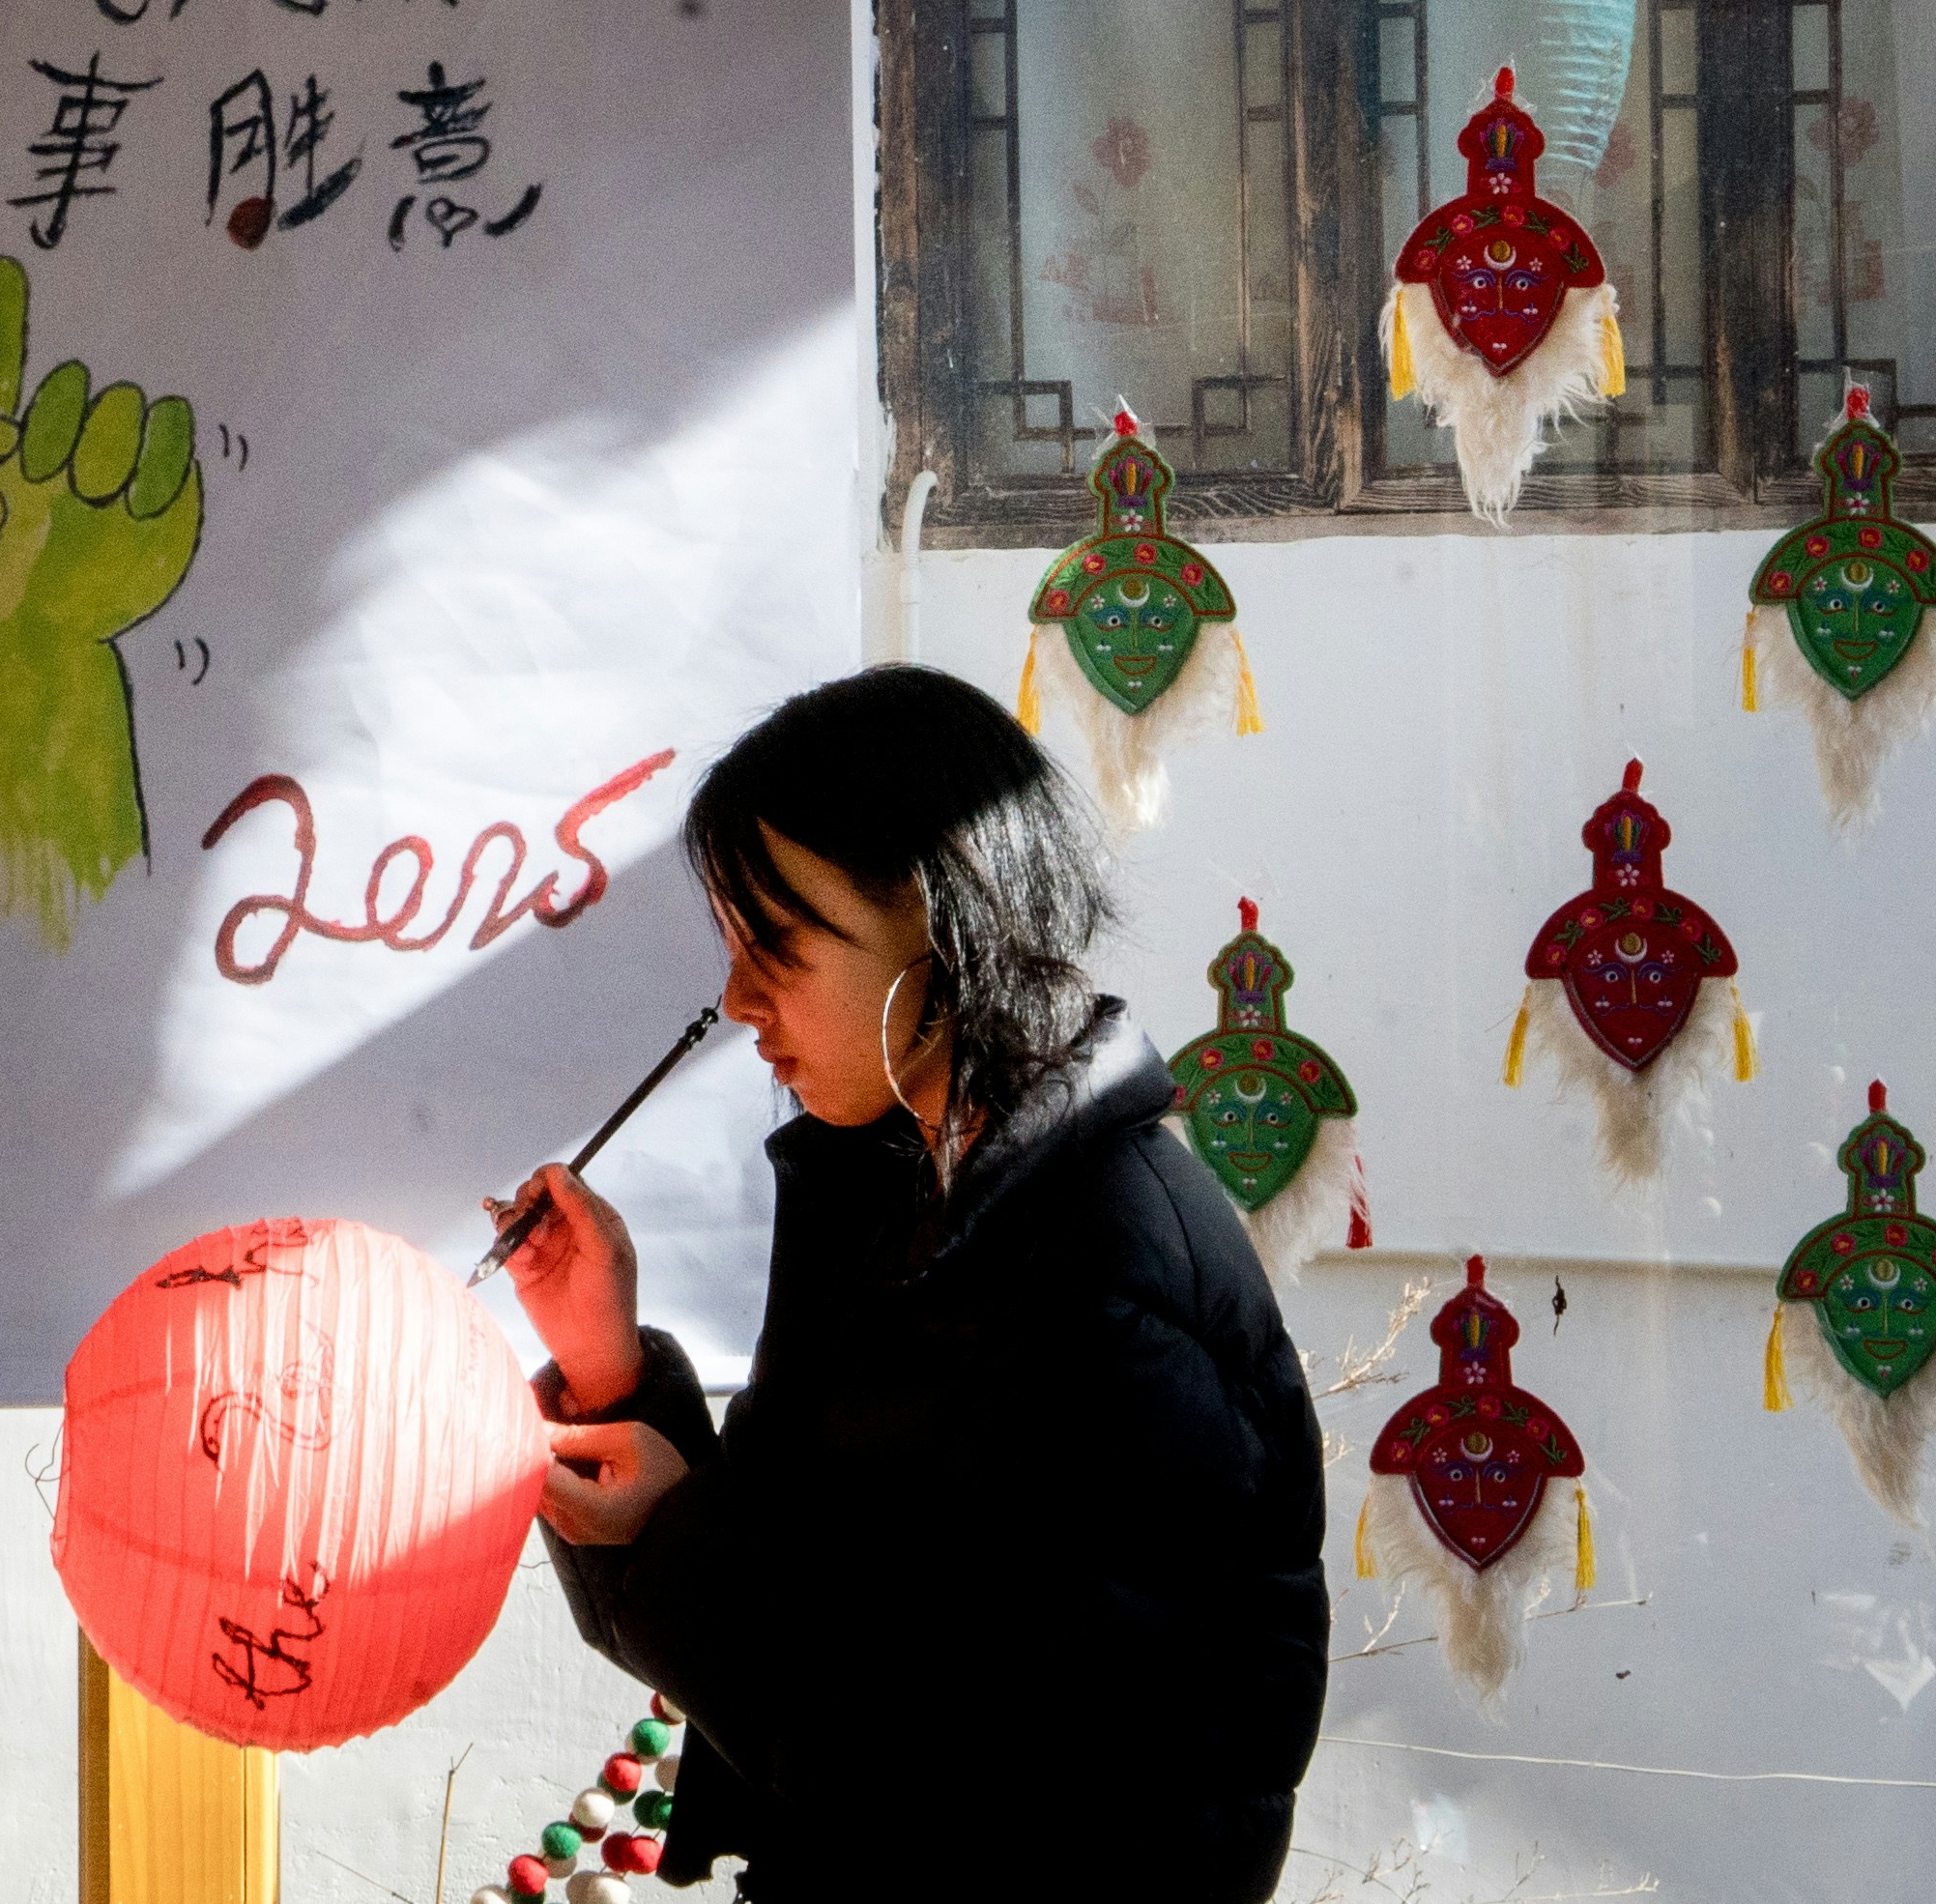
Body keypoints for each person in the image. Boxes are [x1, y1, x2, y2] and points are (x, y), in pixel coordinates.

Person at [493, 666, 1325, 1902]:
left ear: (945, 923)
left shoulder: (1103, 1269)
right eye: (733, 950)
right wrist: (612, 1364)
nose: (737, 1002)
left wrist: (678, 1530)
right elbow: (802, 1586)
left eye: (776, 947)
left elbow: (971, 1772)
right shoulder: (903, 1188)